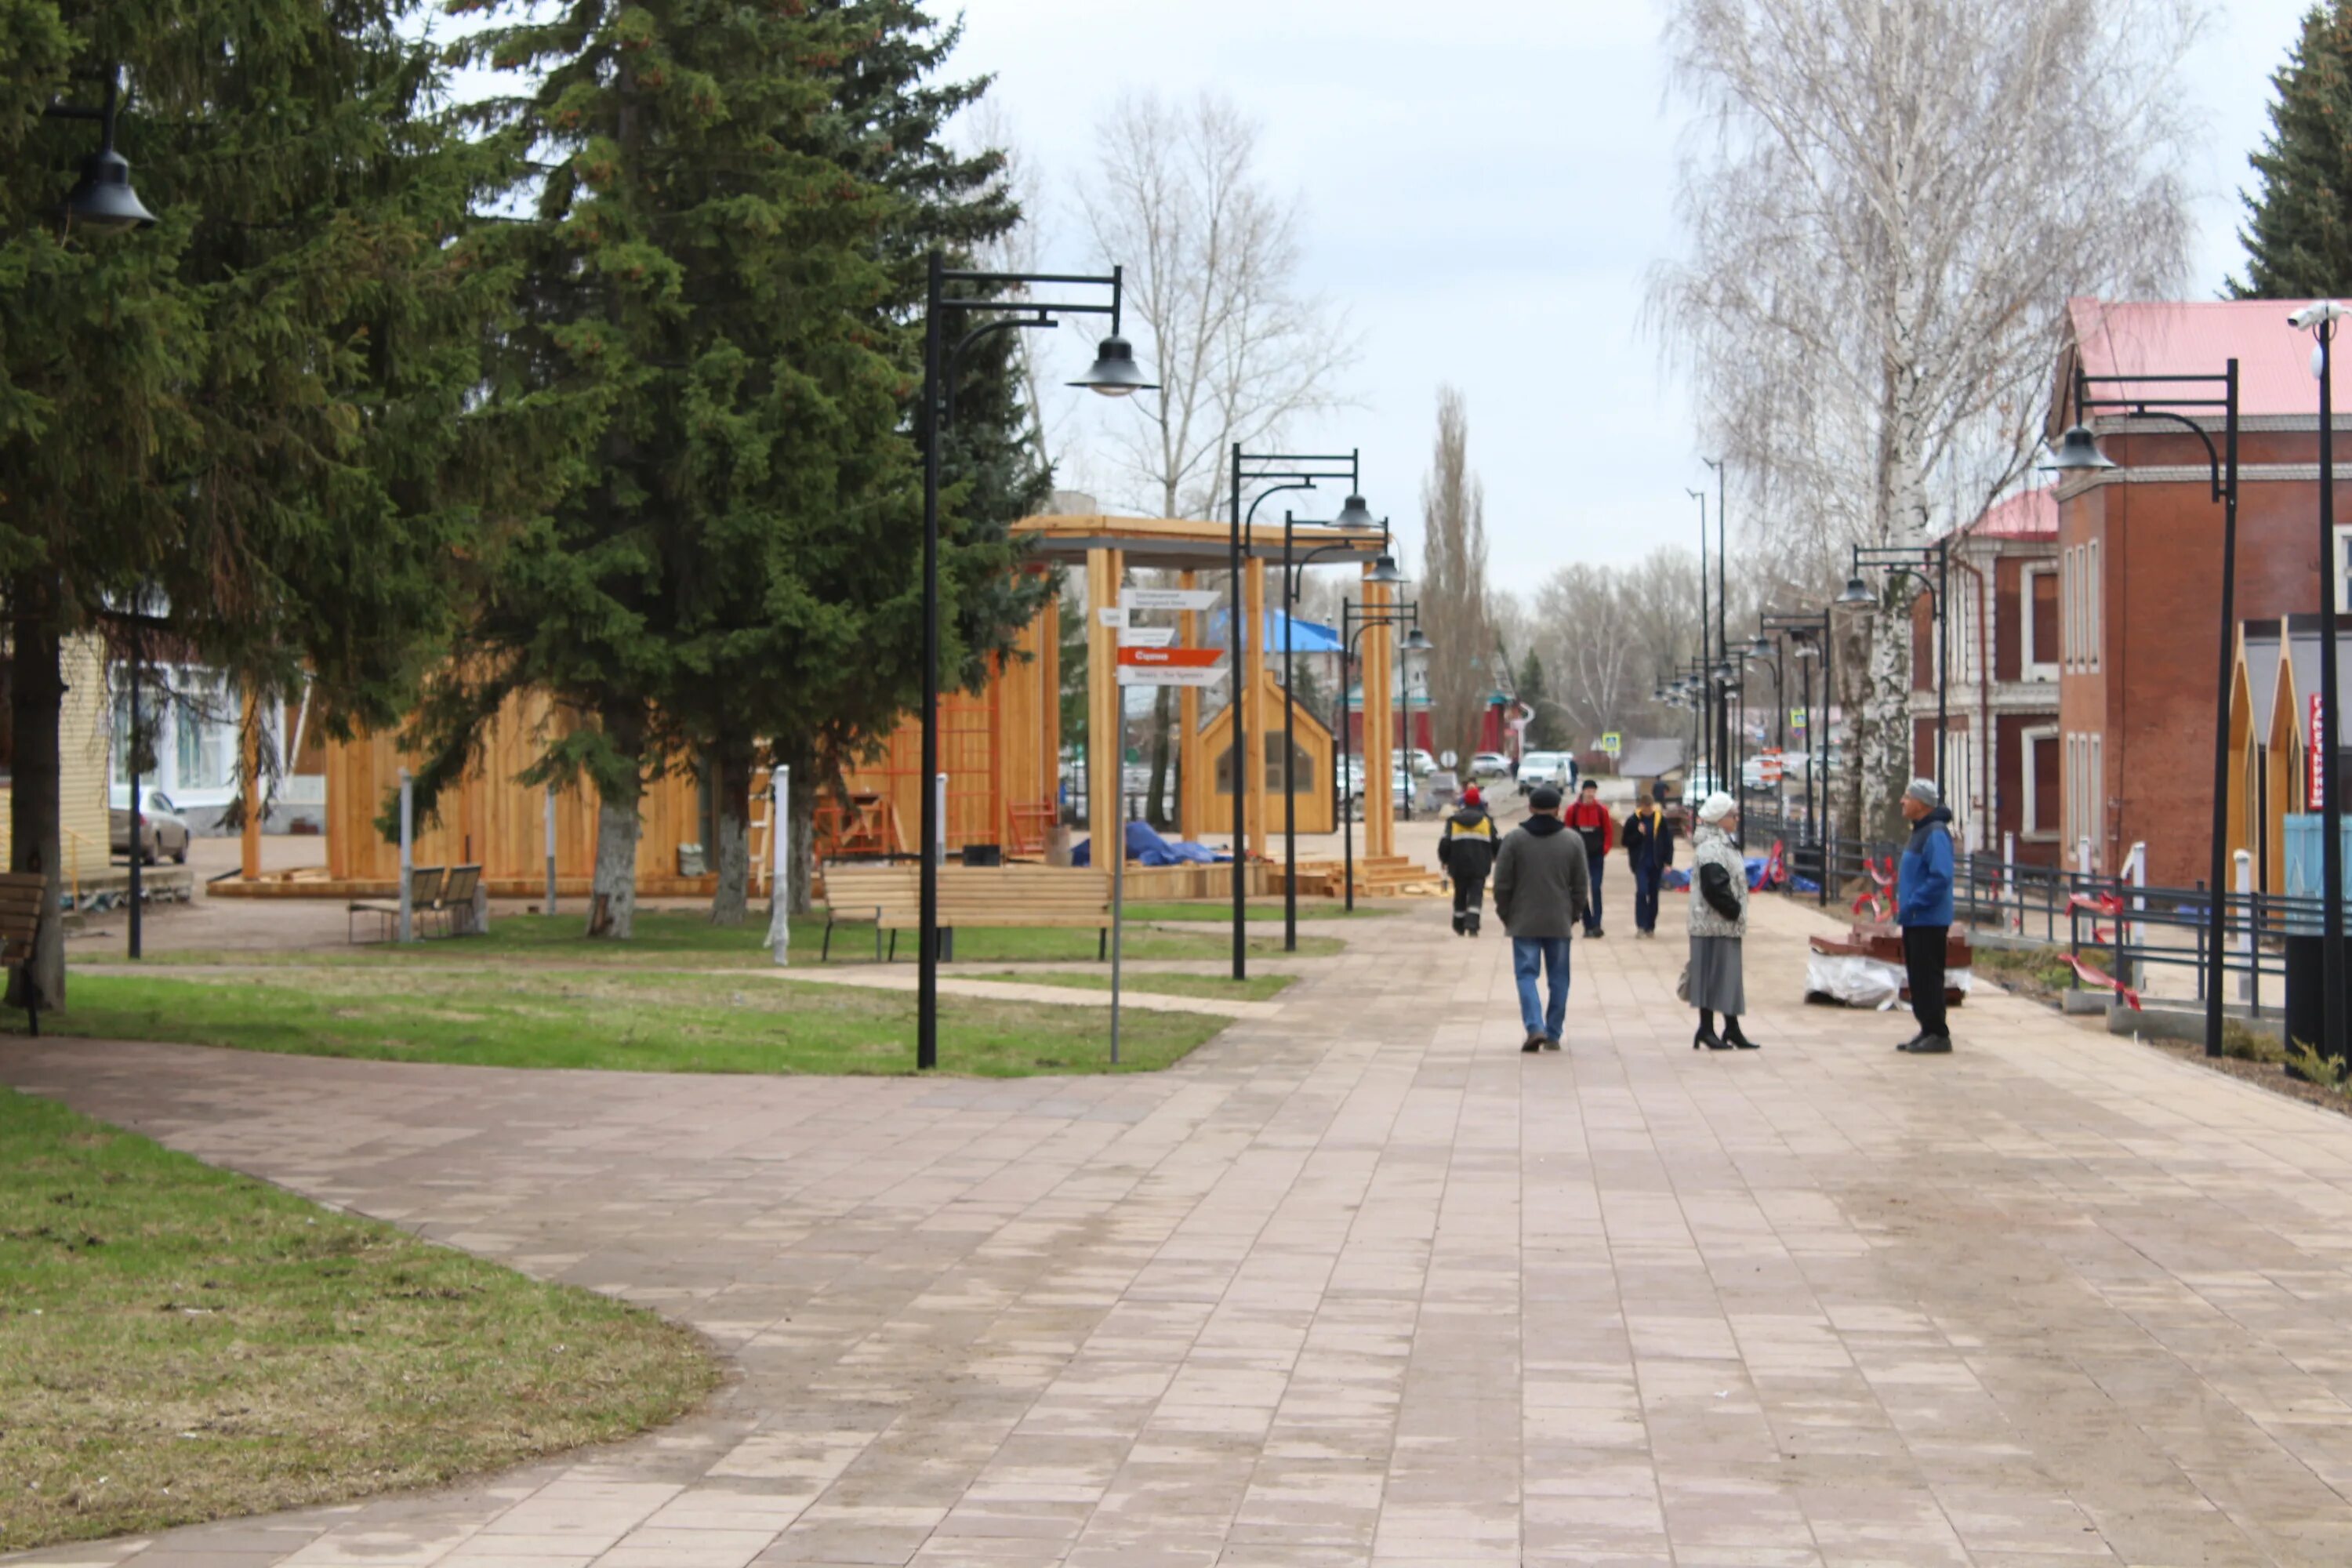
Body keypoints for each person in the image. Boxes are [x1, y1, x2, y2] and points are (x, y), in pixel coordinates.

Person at [1492, 784, 1590, 1053]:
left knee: (1526, 975)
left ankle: (1535, 1026)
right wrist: (1574, 913)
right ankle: (1554, 1032)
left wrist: (1506, 914)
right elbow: (1581, 885)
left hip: (1523, 920)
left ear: (1530, 808)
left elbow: (1501, 883)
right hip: (1559, 920)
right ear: (1559, 810)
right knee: (1559, 979)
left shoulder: (1514, 840)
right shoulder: (1572, 841)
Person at [1686, 792, 1759, 1050]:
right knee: (1710, 976)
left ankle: (1731, 1027)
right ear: (1719, 819)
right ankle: (1706, 1029)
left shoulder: (1724, 843)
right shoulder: (1712, 847)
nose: (1737, 819)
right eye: (1732, 815)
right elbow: (1714, 886)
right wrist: (1734, 910)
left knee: (1728, 977)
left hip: (1722, 924)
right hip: (1711, 924)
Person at [1896, 778, 1955, 1054]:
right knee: (1917, 978)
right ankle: (1926, 1028)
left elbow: (1940, 876)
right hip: (1914, 918)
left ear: (1920, 803)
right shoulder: (1920, 831)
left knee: (1929, 977)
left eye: (1907, 797)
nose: (1902, 802)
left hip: (1928, 919)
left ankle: (1938, 1033)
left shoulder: (1935, 833)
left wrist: (1916, 903)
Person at [1437, 785, 1499, 937]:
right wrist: (1496, 856)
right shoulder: (1486, 821)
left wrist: (1444, 859)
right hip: (1480, 865)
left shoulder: (1453, 821)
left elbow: (1445, 843)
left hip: (1458, 865)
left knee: (1460, 893)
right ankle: (1472, 925)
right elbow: (1496, 842)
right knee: (1476, 894)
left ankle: (1459, 925)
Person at [1563, 778, 1616, 938]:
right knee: (1582, 890)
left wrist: (1605, 849)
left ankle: (1597, 924)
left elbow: (1608, 831)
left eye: (1593, 791)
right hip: (1579, 858)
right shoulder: (1573, 810)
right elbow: (1567, 832)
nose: (1591, 794)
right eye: (1588, 791)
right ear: (1583, 791)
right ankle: (1588, 924)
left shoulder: (1601, 810)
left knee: (1596, 888)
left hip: (1597, 857)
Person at [1622, 784, 1674, 938]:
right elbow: (1625, 841)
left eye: (1650, 807)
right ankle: (1641, 925)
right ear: (1641, 806)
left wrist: (1668, 861)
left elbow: (1668, 842)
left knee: (1654, 894)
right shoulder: (1633, 821)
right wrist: (1639, 835)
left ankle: (1651, 925)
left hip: (1656, 862)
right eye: (1645, 807)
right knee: (1642, 892)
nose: (1648, 810)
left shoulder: (1661, 820)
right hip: (1640, 863)